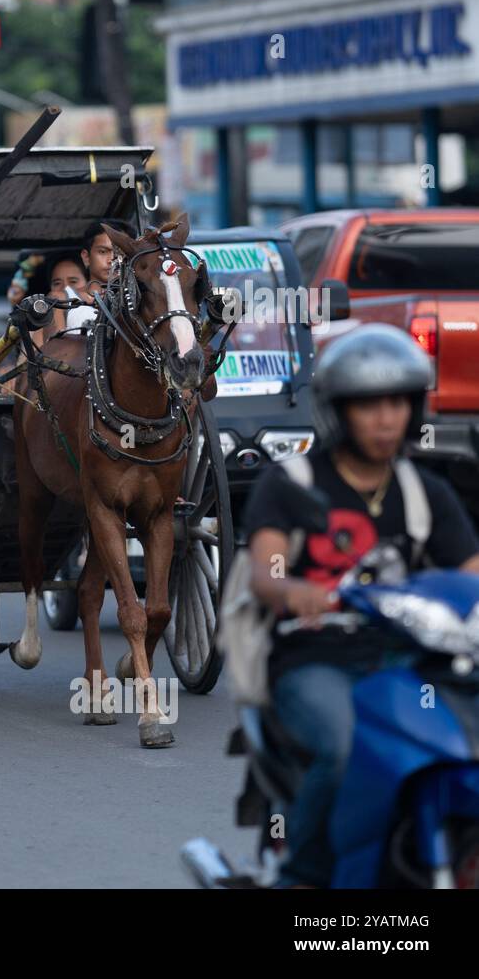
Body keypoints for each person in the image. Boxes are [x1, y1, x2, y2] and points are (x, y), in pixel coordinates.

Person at [241, 324, 479, 888]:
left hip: (411, 664)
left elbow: (471, 577)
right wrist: (293, 590)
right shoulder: (292, 483)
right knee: (347, 749)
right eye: (369, 404)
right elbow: (266, 566)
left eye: (397, 402)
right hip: (315, 660)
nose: (386, 418)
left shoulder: (427, 492)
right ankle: (303, 876)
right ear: (339, 411)